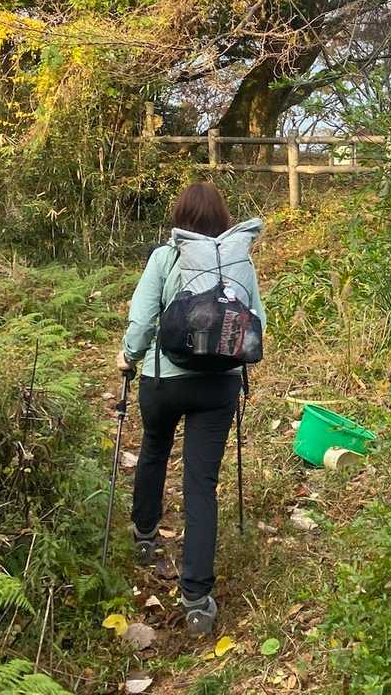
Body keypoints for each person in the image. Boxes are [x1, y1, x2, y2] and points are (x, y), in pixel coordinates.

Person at [116, 183, 265, 635]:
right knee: (201, 485)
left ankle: (145, 536)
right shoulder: (240, 262)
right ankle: (197, 599)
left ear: (179, 216)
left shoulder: (166, 257)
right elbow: (257, 322)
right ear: (223, 218)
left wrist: (128, 356)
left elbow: (143, 319)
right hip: (218, 385)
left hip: (164, 380)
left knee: (154, 450)